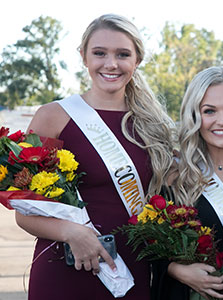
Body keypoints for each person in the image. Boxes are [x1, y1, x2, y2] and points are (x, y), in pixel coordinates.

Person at [15, 14, 174, 300]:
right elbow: (24, 214)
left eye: (123, 54)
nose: (110, 64)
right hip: (65, 269)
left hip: (131, 271)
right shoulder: (53, 117)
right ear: (83, 56)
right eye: (99, 53)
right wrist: (71, 233)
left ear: (137, 60)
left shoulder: (154, 126)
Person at [154, 66, 223, 300]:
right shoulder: (174, 175)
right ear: (194, 115)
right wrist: (177, 270)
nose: (222, 121)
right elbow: (151, 250)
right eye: (209, 111)